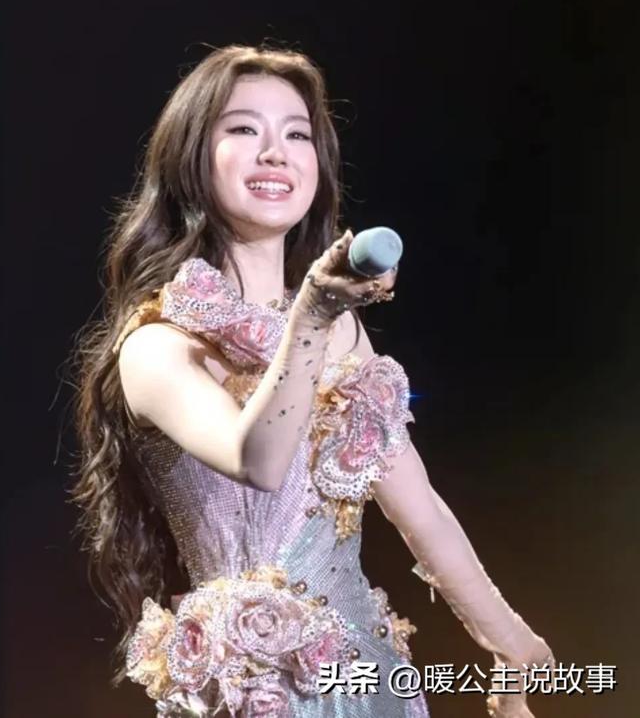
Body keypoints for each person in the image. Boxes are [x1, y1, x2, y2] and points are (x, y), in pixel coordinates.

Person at [71, 45, 553, 717]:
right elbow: (258, 461)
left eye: (297, 135)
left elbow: (418, 508)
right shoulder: (158, 346)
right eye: (244, 129)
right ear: (190, 157)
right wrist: (314, 316)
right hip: (253, 690)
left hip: (369, 680)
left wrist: (516, 645)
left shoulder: (339, 331)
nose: (276, 154)